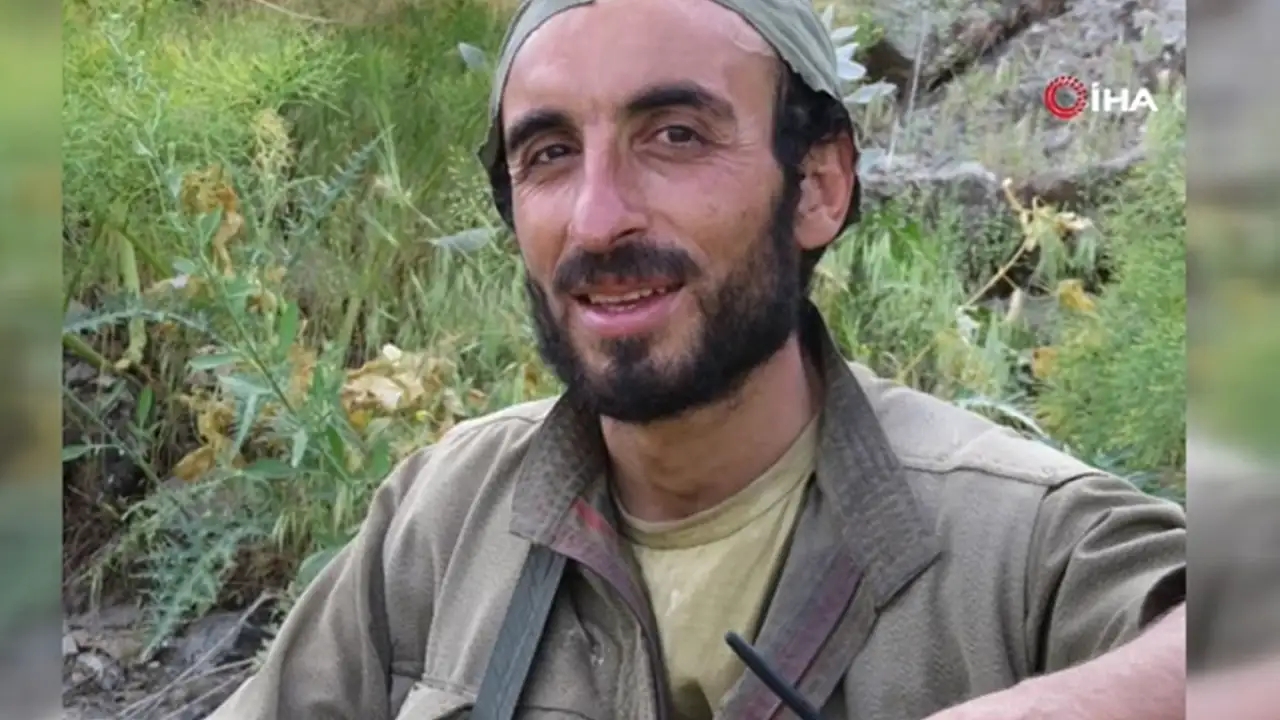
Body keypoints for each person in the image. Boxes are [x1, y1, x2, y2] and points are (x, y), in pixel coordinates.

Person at [208, 0, 1187, 718]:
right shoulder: (443, 519)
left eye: (674, 137)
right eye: (549, 154)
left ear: (817, 185)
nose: (597, 219)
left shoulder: (1011, 542)